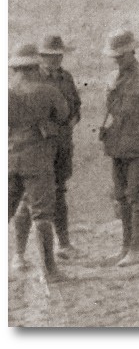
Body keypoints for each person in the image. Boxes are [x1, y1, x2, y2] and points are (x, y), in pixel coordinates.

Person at [100, 29, 139, 266]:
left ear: (131, 52)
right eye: (114, 57)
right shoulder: (112, 78)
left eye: (120, 56)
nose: (117, 60)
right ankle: (126, 247)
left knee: (137, 197)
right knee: (122, 197)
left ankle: (136, 249)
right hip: (117, 145)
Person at [9, 43, 70, 283]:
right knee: (42, 214)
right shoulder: (48, 91)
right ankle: (49, 271)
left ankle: (18, 257)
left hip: (10, 158)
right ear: (35, 66)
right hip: (38, 160)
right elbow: (64, 115)